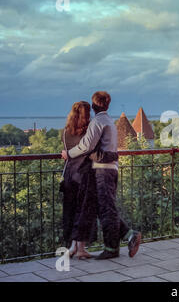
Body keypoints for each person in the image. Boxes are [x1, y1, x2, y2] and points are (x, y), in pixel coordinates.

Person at [62, 91, 141, 260]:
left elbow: (85, 146)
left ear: (95, 104)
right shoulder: (108, 121)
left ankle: (112, 248)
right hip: (110, 167)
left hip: (102, 169)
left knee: (106, 209)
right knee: (103, 207)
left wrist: (68, 154)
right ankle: (128, 235)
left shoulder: (98, 122)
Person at [61, 101, 98, 260]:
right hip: (85, 175)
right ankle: (81, 248)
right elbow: (91, 151)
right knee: (85, 211)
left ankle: (72, 247)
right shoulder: (89, 131)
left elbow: (67, 152)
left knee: (71, 210)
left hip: (70, 175)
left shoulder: (66, 131)